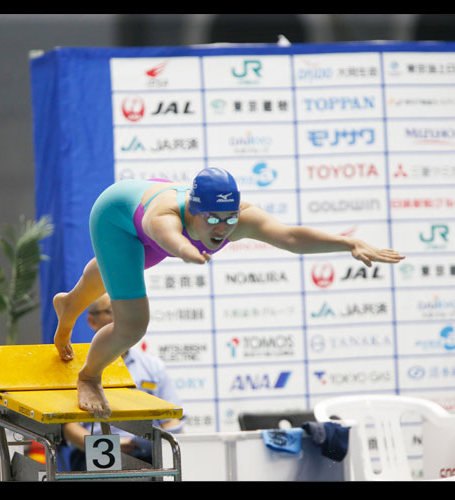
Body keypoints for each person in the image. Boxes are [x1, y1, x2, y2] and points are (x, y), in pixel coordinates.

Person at [53, 168, 405, 419]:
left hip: (151, 209)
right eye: (213, 218)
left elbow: (292, 237)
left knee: (119, 270)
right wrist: (187, 251)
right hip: (117, 214)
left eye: (230, 218)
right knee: (133, 324)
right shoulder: (165, 218)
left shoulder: (240, 218)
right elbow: (169, 238)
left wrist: (348, 243)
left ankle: (69, 304)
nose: (222, 228)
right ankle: (89, 376)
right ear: (193, 209)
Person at [60, 293, 183, 471]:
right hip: (95, 455)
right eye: (112, 311)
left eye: (125, 310)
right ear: (92, 321)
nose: (122, 316)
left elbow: (172, 421)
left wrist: (167, 440)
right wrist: (104, 446)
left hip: (149, 455)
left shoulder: (153, 367)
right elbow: (68, 426)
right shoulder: (75, 368)